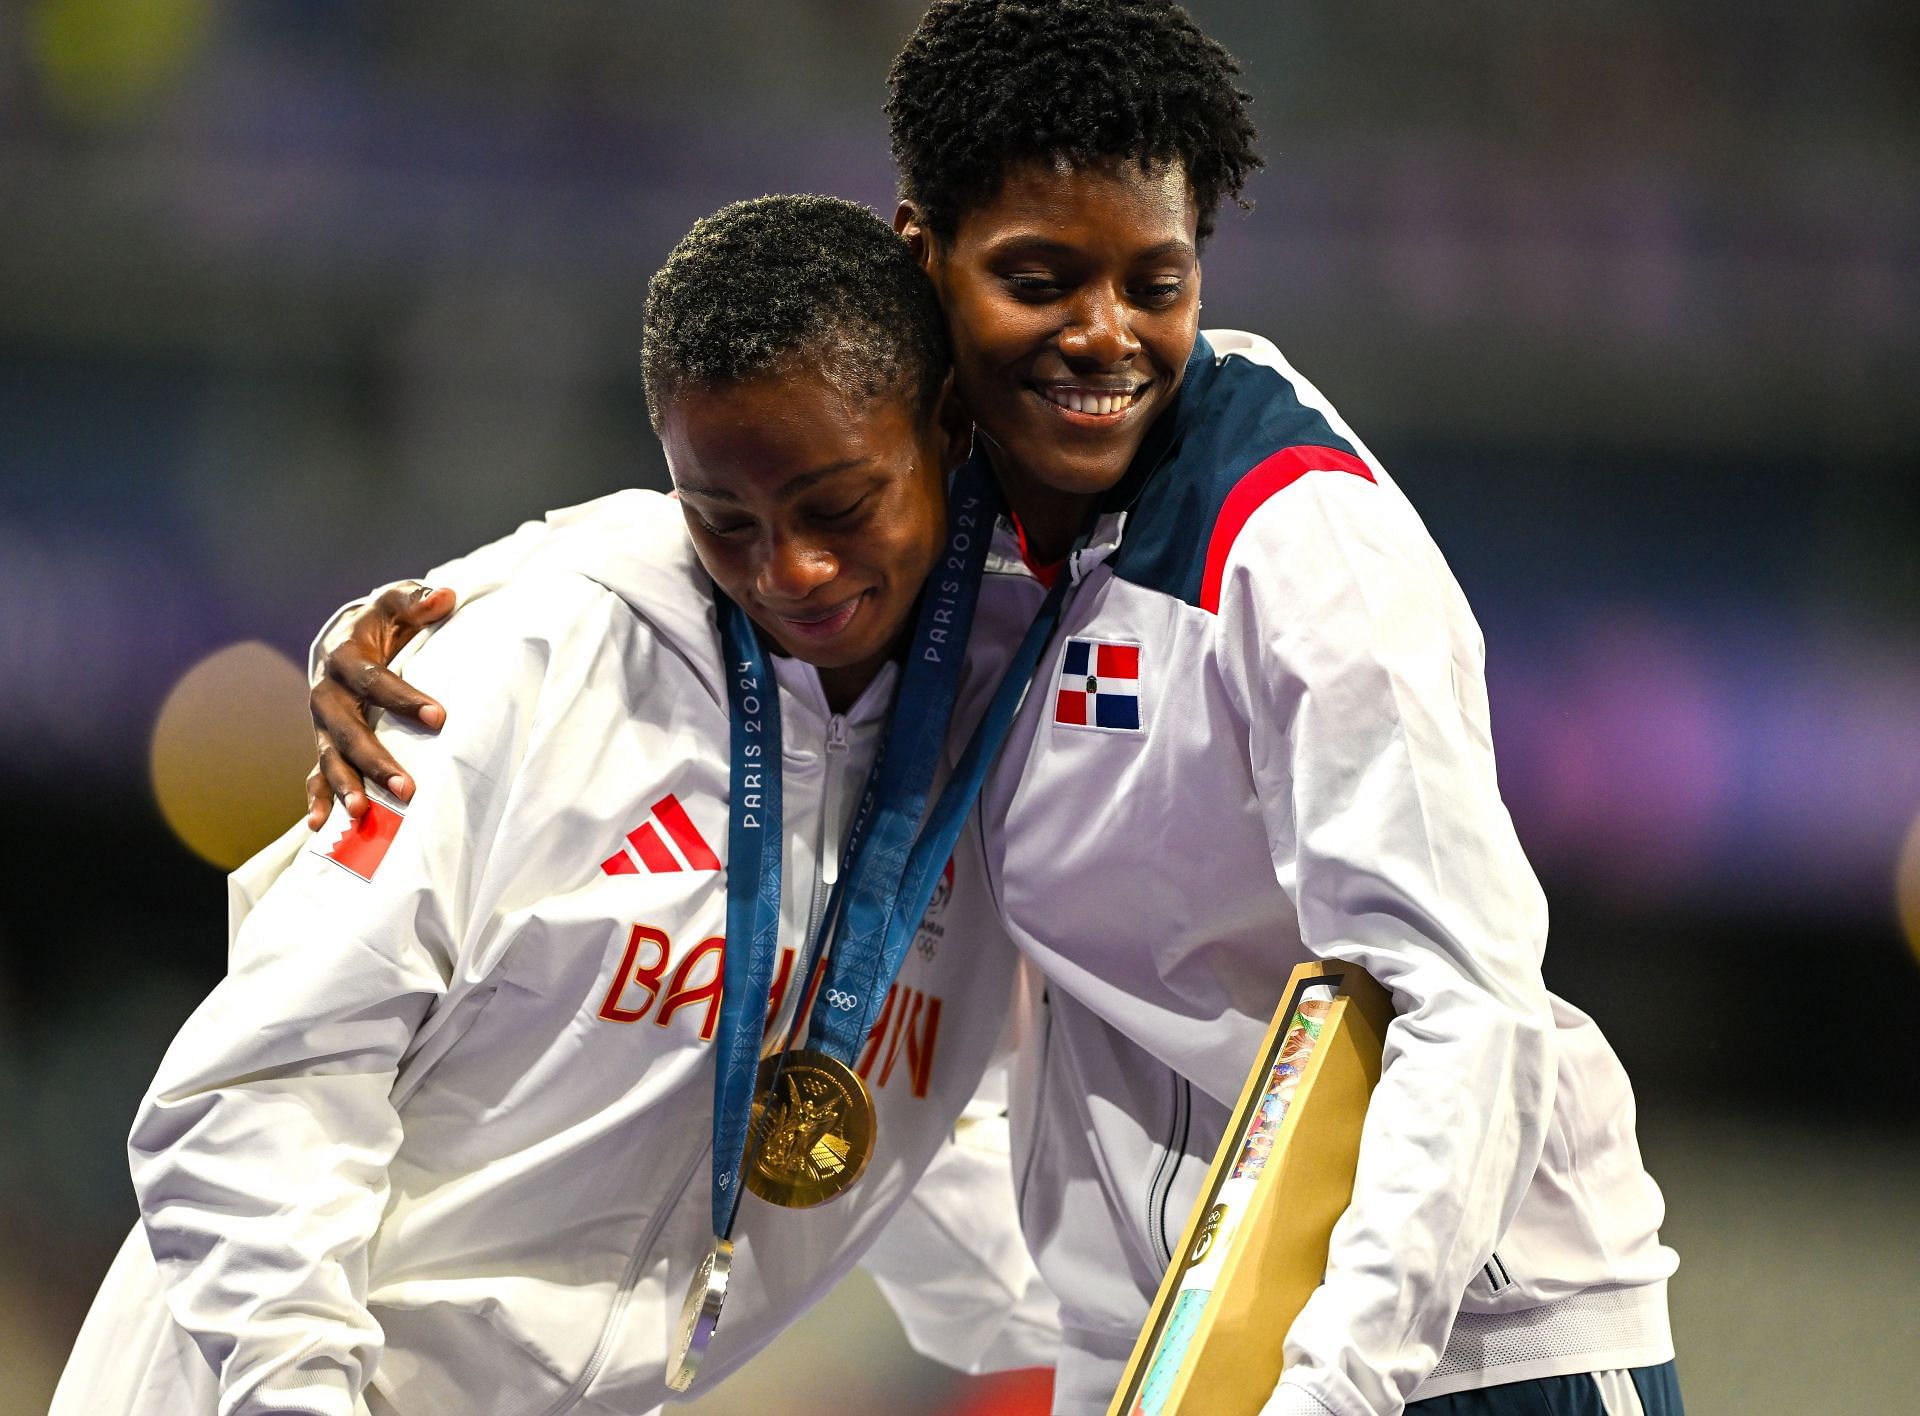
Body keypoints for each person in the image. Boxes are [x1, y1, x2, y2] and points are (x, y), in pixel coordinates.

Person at [305, 4, 1684, 1414]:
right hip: (1164, 1345)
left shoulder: (1295, 549)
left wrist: (1333, 1386)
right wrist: (408, 627)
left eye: (1157, 282)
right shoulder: (945, 504)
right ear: (926, 257)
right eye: (1039, 278)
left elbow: (1469, 1003)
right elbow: (703, 522)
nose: (1104, 339)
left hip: (1451, 1346)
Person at [51, 195, 1058, 1416]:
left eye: (838, 507)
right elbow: (250, 1090)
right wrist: (294, 1392)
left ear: (947, 430)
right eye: (723, 518)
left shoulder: (1011, 719)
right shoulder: (521, 661)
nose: (788, 569)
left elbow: (928, 1161)